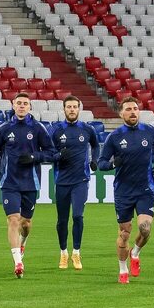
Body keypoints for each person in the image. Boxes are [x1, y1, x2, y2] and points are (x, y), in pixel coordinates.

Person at [0, 92, 57, 278]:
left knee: (25, 223)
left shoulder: (37, 128)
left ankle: (23, 241)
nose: (21, 106)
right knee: (13, 219)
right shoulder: (4, 128)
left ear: (29, 107)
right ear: (13, 105)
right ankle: (18, 262)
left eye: (25, 103)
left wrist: (35, 157)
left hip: (30, 183)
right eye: (18, 103)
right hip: (9, 182)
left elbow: (51, 152)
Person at [97, 97, 154, 284]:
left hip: (145, 189)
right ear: (121, 113)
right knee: (124, 233)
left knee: (145, 229)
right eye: (128, 109)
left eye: (135, 108)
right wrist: (112, 164)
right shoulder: (115, 136)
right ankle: (123, 269)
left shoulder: (149, 131)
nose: (133, 112)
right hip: (123, 191)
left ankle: (135, 252)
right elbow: (101, 163)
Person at [50, 95, 100, 270]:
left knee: (78, 216)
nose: (72, 109)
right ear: (64, 109)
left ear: (79, 109)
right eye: (69, 107)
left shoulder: (87, 129)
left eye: (74, 107)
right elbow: (48, 153)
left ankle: (76, 252)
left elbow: (96, 145)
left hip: (81, 180)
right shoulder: (56, 130)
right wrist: (58, 156)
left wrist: (95, 160)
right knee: (62, 220)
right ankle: (63, 253)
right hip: (62, 181)